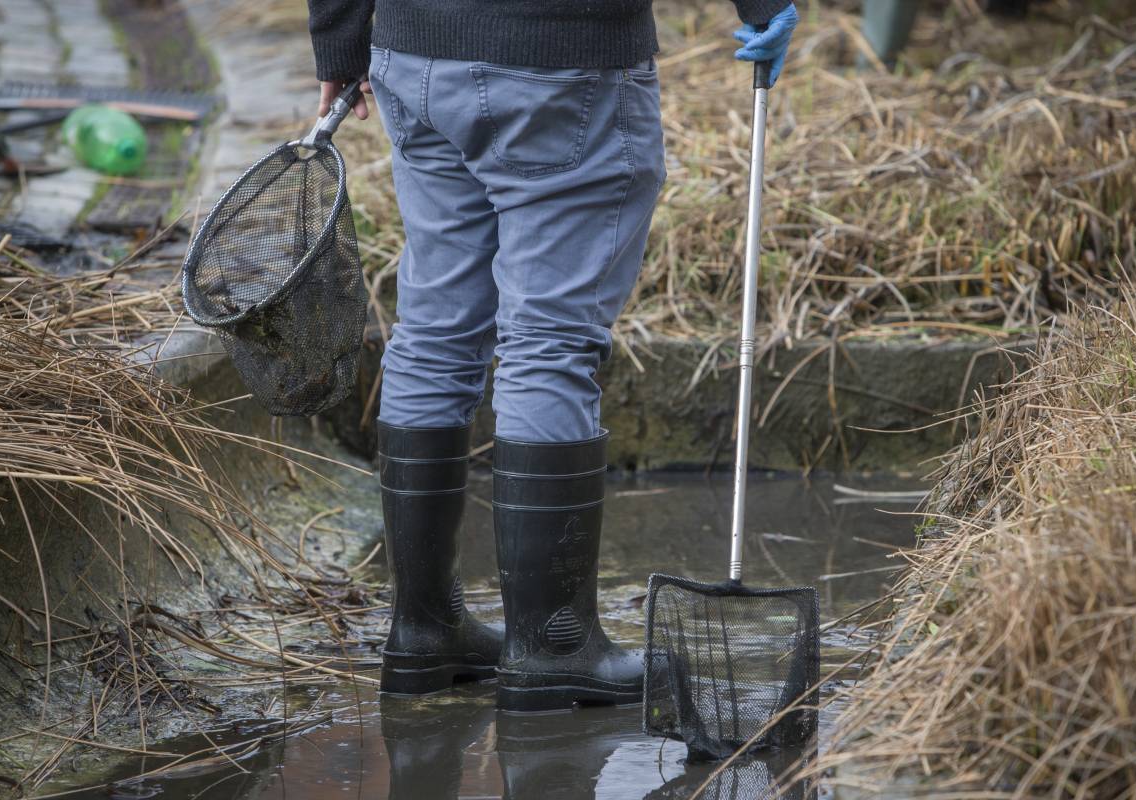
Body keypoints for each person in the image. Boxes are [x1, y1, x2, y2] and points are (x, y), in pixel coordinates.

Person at [305, 0, 800, 712]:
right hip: (562, 59)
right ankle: (554, 646)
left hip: (415, 58)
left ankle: (422, 629)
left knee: (435, 331)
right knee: (549, 341)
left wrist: (340, 42)